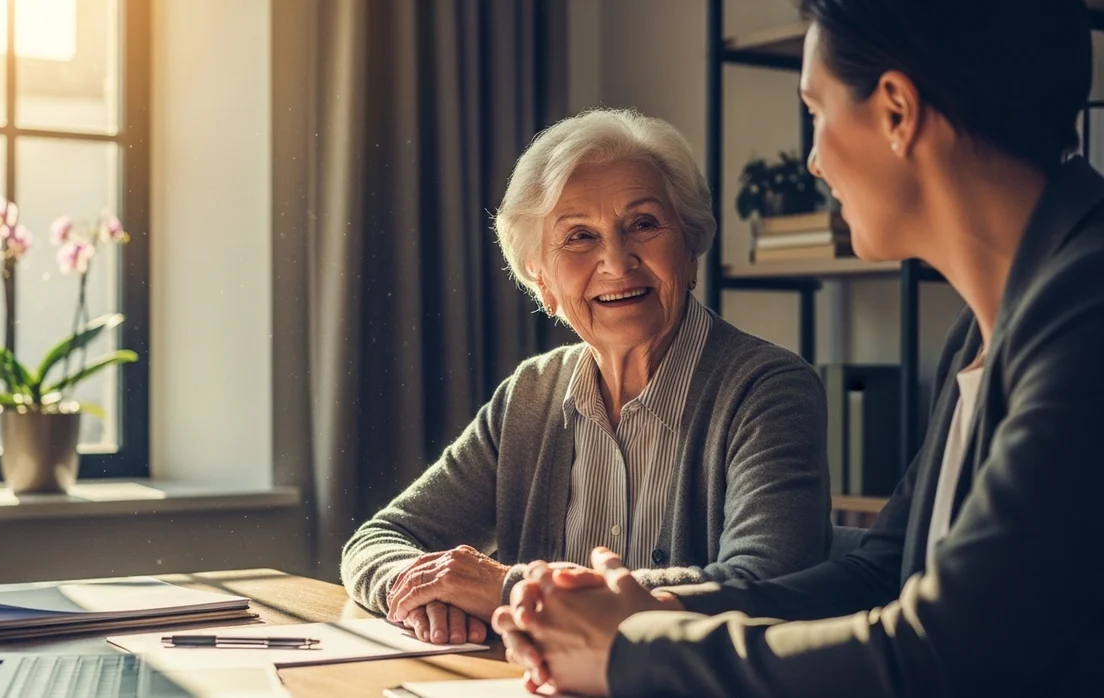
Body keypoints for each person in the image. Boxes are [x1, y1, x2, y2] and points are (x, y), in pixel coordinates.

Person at [493, 1, 1104, 695]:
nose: (812, 162)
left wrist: (632, 655)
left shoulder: (1086, 316)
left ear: (898, 112)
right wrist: (648, 614)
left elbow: (944, 649)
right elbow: (881, 573)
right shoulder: (988, 323)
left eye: (815, 110)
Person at [340, 108, 832, 646]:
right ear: (544, 283)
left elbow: (762, 583)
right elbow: (381, 538)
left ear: (691, 250)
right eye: (579, 237)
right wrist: (423, 593)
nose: (617, 264)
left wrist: (510, 589)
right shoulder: (531, 396)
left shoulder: (767, 389)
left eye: (643, 224)